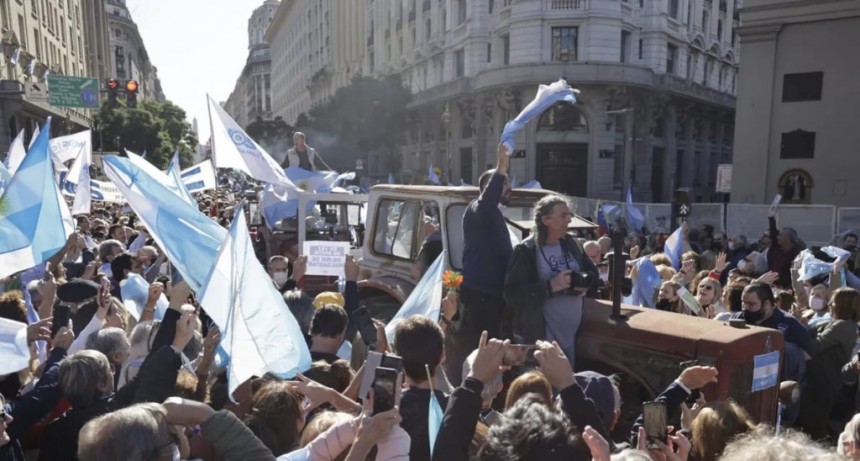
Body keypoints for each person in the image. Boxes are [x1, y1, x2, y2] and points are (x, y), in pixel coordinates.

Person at [505, 195, 598, 368]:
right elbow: (512, 294)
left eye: (569, 215)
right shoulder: (526, 250)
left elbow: (593, 273)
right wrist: (550, 286)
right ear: (546, 219)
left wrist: (584, 283)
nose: (569, 220)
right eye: (563, 215)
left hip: (569, 339)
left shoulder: (573, 244)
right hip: (540, 342)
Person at [461, 144, 513, 346]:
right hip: (482, 292)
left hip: (495, 291)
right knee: (485, 344)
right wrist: (501, 169)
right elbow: (486, 204)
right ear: (486, 188)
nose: (509, 187)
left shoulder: (496, 214)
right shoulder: (478, 208)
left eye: (508, 182)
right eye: (504, 183)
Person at [798, 287, 860, 439]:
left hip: (825, 386)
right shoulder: (844, 325)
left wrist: (796, 327)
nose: (830, 304)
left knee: (815, 430)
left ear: (844, 305)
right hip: (826, 384)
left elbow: (815, 346)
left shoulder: (842, 326)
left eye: (834, 302)